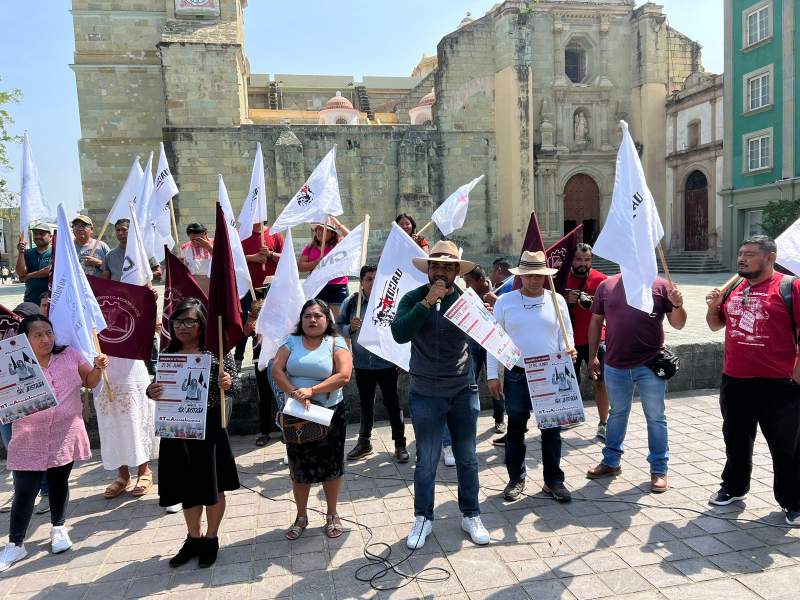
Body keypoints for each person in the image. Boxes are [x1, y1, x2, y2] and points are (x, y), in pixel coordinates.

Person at [391, 240, 490, 549]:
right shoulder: (413, 298)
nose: (442, 272)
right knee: (427, 460)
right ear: (429, 270)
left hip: (462, 389)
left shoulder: (465, 299)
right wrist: (426, 303)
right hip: (425, 392)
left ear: (455, 272)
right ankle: (423, 519)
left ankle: (470, 514)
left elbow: (486, 338)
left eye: (449, 267)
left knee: (467, 458)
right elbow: (399, 332)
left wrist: (487, 318)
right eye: (437, 266)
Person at [0, 315, 109, 572]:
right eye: (38, 335)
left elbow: (90, 382)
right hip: (28, 438)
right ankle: (16, 544)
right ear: (24, 339)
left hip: (64, 433)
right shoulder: (9, 363)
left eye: (49, 333)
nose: (46, 339)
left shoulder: (69, 355)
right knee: (25, 490)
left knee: (59, 484)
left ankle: (58, 528)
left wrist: (98, 367)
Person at [705, 236, 800, 526]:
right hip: (735, 380)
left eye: (750, 254)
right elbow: (715, 324)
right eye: (740, 254)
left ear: (770, 257)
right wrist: (713, 305)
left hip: (779, 384)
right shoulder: (734, 286)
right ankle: (734, 487)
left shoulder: (791, 287)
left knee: (787, 446)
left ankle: (793, 500)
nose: (741, 259)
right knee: (735, 439)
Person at [147, 298, 240, 568]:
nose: (183, 327)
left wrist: (229, 381)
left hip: (209, 427)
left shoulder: (217, 352)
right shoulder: (168, 353)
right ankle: (193, 538)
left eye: (190, 321)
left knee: (213, 485)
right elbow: (159, 387)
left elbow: (235, 389)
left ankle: (211, 538)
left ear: (202, 323)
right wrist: (151, 391)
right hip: (177, 429)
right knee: (187, 486)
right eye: (178, 321)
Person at [585, 272, 686, 493]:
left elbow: (678, 324)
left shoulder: (661, 285)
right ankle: (611, 462)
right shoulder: (606, 285)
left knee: (656, 417)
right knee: (617, 413)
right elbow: (595, 321)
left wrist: (678, 305)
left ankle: (659, 469)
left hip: (650, 364)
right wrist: (593, 354)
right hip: (615, 363)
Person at [487, 251, 574, 503]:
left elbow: (565, 335)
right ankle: (516, 478)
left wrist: (569, 351)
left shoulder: (556, 299)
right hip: (517, 374)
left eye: (538, 275)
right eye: (529, 275)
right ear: (521, 276)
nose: (534, 280)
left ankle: (553, 481)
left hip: (551, 372)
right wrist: (493, 375)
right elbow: (495, 341)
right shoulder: (505, 302)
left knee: (552, 430)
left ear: (545, 276)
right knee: (515, 429)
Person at [271, 299, 352, 540]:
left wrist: (312, 391)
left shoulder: (336, 343)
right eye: (307, 316)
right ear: (301, 320)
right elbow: (277, 370)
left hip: (330, 413)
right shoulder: (291, 341)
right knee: (299, 467)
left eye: (318, 315)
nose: (313, 320)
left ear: (327, 320)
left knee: (332, 466)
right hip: (297, 414)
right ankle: (301, 516)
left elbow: (344, 375)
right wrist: (296, 393)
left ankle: (332, 514)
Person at [94, 218, 160, 500]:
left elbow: (146, 320)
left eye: (126, 230)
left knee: (135, 415)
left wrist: (149, 299)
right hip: (105, 360)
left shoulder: (141, 256)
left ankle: (144, 471)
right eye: (118, 230)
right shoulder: (107, 261)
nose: (122, 234)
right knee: (111, 418)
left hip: (131, 361)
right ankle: (122, 474)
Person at [338, 266, 408, 463]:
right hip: (362, 364)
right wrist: (348, 328)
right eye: (369, 279)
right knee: (366, 404)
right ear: (361, 282)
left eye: (376, 279)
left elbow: (400, 330)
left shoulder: (389, 302)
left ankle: (400, 444)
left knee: (393, 404)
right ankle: (364, 442)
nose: (372, 283)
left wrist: (401, 357)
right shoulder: (352, 302)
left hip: (386, 363)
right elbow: (336, 326)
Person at [0, 303, 49, 517]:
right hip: (4, 400)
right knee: (13, 447)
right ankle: (22, 492)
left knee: (38, 446)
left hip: (31, 396)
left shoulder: (33, 334)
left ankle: (47, 492)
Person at [564, 243, 610, 439]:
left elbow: (611, 309)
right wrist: (566, 300)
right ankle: (571, 416)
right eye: (579, 259)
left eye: (587, 260)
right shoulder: (560, 279)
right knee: (568, 382)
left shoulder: (602, 280)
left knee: (600, 383)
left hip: (596, 340)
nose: (583, 264)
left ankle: (604, 423)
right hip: (570, 341)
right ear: (572, 260)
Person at [235, 221, 284, 370]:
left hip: (270, 288)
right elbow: (231, 258)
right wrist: (252, 258)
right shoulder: (240, 234)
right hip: (246, 288)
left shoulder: (274, 233)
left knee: (266, 323)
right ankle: (238, 357)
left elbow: (285, 258)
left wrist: (269, 254)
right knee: (244, 322)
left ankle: (260, 357)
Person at [463, 265, 505, 434]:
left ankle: (500, 419)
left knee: (497, 384)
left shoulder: (500, 291)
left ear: (481, 281)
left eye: (469, 282)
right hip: (474, 345)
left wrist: (495, 305)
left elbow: (506, 318)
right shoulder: (466, 294)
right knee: (469, 382)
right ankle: (467, 419)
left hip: (494, 346)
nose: (466, 286)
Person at [298, 218, 350, 317]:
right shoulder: (309, 247)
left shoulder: (340, 244)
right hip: (317, 287)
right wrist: (316, 262)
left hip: (337, 287)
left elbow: (353, 237)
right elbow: (300, 267)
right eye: (318, 229)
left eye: (324, 229)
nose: (319, 232)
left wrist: (337, 223)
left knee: (340, 320)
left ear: (332, 233)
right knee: (319, 319)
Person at [16, 222, 53, 304]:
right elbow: (21, 273)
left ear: (50, 237)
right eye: (35, 234)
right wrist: (21, 252)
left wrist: (29, 276)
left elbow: (50, 270)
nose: (38, 236)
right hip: (31, 299)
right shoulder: (28, 253)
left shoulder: (56, 251)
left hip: (52, 300)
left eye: (42, 234)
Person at [179, 223, 214, 294]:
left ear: (205, 233)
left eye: (199, 239)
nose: (196, 242)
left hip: (214, 283)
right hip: (195, 284)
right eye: (192, 239)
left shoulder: (215, 243)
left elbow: (221, 260)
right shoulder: (185, 248)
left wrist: (208, 247)